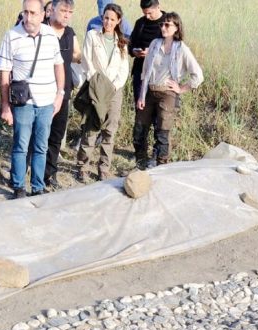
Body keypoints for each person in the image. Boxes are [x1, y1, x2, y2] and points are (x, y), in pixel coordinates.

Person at [0, 0, 65, 199]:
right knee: (20, 145)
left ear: (44, 14)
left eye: (33, 13)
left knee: (41, 146)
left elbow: (58, 66)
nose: (29, 17)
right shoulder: (12, 36)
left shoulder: (51, 35)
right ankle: (18, 187)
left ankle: (38, 187)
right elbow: (4, 74)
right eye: (25, 12)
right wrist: (5, 106)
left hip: (47, 103)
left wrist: (59, 95)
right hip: (23, 103)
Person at [134, 12, 201, 168]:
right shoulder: (154, 44)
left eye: (167, 25)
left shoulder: (182, 48)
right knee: (139, 128)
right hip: (150, 90)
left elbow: (197, 75)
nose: (163, 27)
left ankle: (161, 166)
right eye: (162, 24)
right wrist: (141, 96)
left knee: (162, 133)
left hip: (167, 93)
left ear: (176, 28)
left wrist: (181, 88)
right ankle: (140, 163)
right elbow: (145, 71)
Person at [26, 0, 79, 191]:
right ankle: (24, 171)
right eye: (63, 10)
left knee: (55, 137)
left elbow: (77, 54)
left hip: (62, 93)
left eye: (70, 11)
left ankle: (49, 174)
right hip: (38, 93)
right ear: (51, 10)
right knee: (32, 135)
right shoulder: (39, 30)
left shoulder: (70, 33)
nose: (66, 14)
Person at [76, 2, 130, 181]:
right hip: (96, 88)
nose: (108, 22)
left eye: (112, 19)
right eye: (106, 18)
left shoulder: (121, 42)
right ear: (102, 18)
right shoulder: (92, 35)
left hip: (114, 91)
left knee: (109, 130)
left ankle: (103, 168)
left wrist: (114, 86)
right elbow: (86, 59)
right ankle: (83, 166)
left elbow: (124, 69)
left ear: (118, 21)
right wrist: (95, 81)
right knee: (91, 128)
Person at [127, 0, 164, 103]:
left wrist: (152, 53)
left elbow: (175, 48)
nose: (147, 16)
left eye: (150, 13)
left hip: (160, 73)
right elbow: (130, 44)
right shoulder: (140, 23)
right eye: (144, 13)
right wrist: (134, 51)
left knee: (158, 111)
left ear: (158, 7)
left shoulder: (168, 23)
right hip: (140, 71)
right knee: (140, 107)